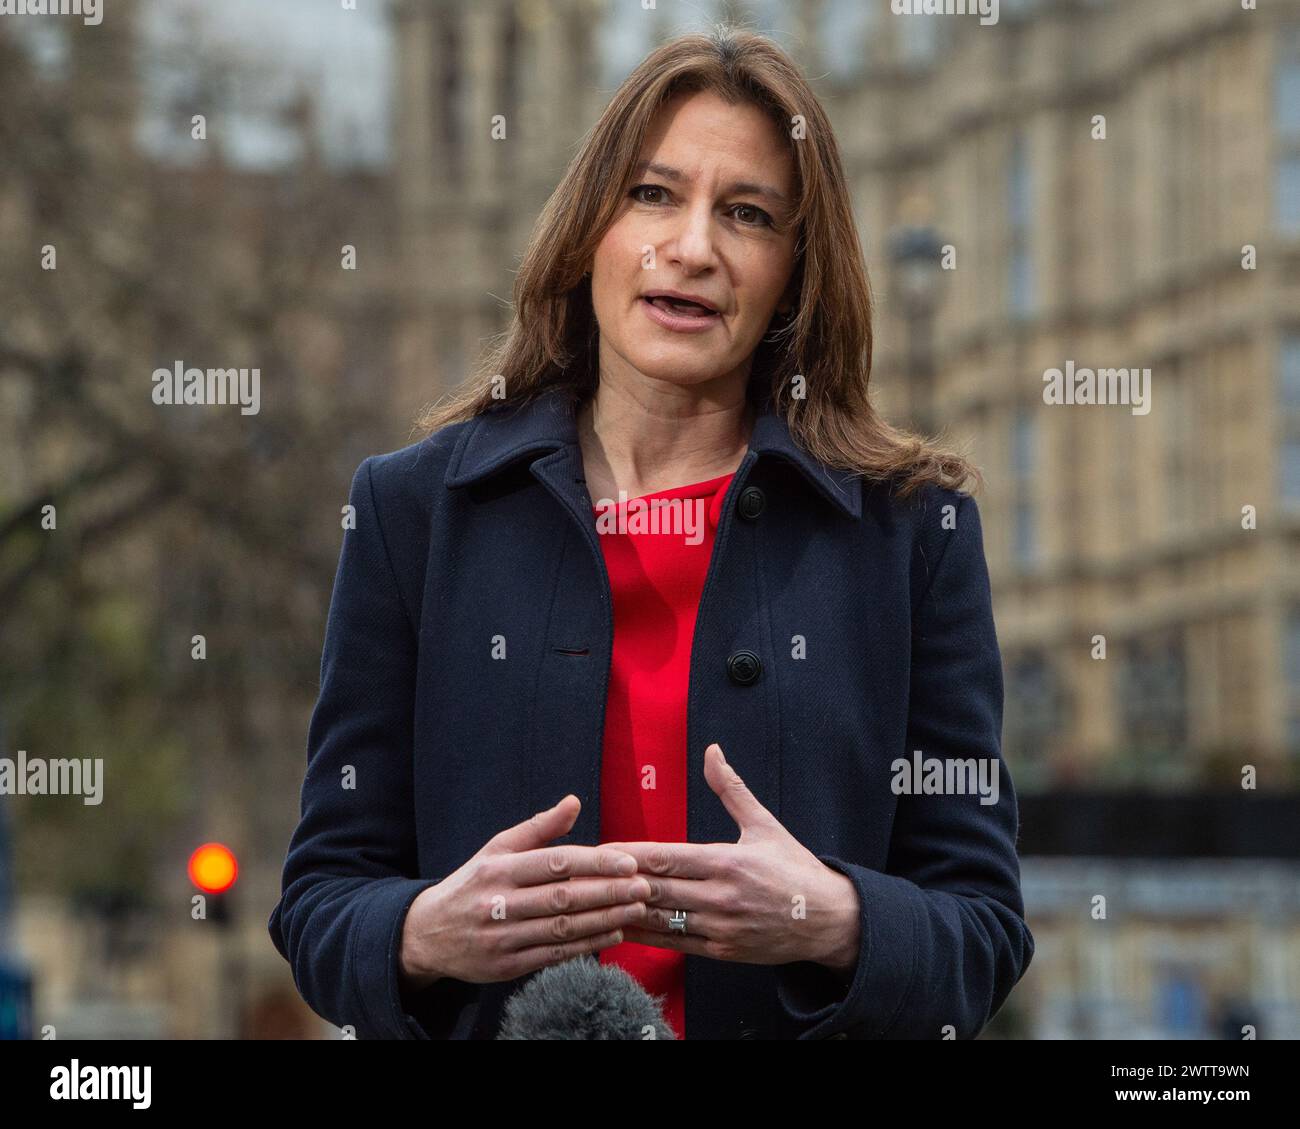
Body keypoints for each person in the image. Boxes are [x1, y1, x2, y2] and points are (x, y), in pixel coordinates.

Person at [268, 27, 1034, 1040]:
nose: (693, 247)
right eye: (652, 195)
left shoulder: (910, 534)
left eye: (748, 215)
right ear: (590, 228)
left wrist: (828, 917)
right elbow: (321, 902)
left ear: (795, 275)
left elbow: (980, 934)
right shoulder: (415, 513)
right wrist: (423, 930)